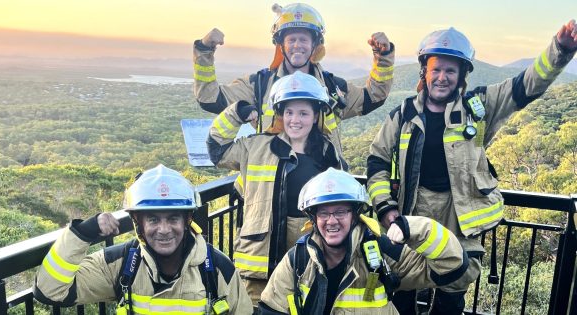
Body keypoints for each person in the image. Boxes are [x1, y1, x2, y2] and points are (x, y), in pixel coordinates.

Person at [366, 20, 577, 314]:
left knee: (450, 296)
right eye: (435, 69)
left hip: (460, 216)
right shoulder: (403, 115)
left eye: (450, 70)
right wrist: (386, 207)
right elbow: (376, 160)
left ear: (462, 74)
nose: (442, 77)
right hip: (412, 213)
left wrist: (560, 49)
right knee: (402, 289)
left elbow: (526, 84)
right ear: (424, 72)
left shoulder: (478, 109)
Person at [33, 164, 253, 315]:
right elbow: (49, 291)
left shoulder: (217, 269)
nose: (164, 230)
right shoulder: (120, 265)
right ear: (138, 220)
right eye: (154, 219)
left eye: (173, 218)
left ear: (187, 218)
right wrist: (83, 233)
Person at [207, 71, 345, 304]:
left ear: (314, 117)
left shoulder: (326, 152)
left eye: (303, 113)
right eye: (289, 112)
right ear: (280, 114)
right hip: (260, 260)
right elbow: (216, 149)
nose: (295, 120)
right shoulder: (257, 146)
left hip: (307, 252)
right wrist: (236, 113)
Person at [193, 2, 395, 159]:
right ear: (280, 44)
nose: (297, 45)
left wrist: (382, 56)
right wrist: (205, 50)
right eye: (291, 40)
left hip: (320, 193)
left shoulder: (333, 88)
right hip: (273, 189)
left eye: (304, 39)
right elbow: (209, 98)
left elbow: (373, 96)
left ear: (315, 44)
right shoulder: (259, 85)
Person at [258, 167, 470, 314]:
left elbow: (452, 265)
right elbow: (271, 308)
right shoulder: (299, 259)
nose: (331, 221)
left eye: (340, 212)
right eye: (323, 213)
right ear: (313, 218)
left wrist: (414, 227)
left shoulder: (381, 252)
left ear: (355, 214)